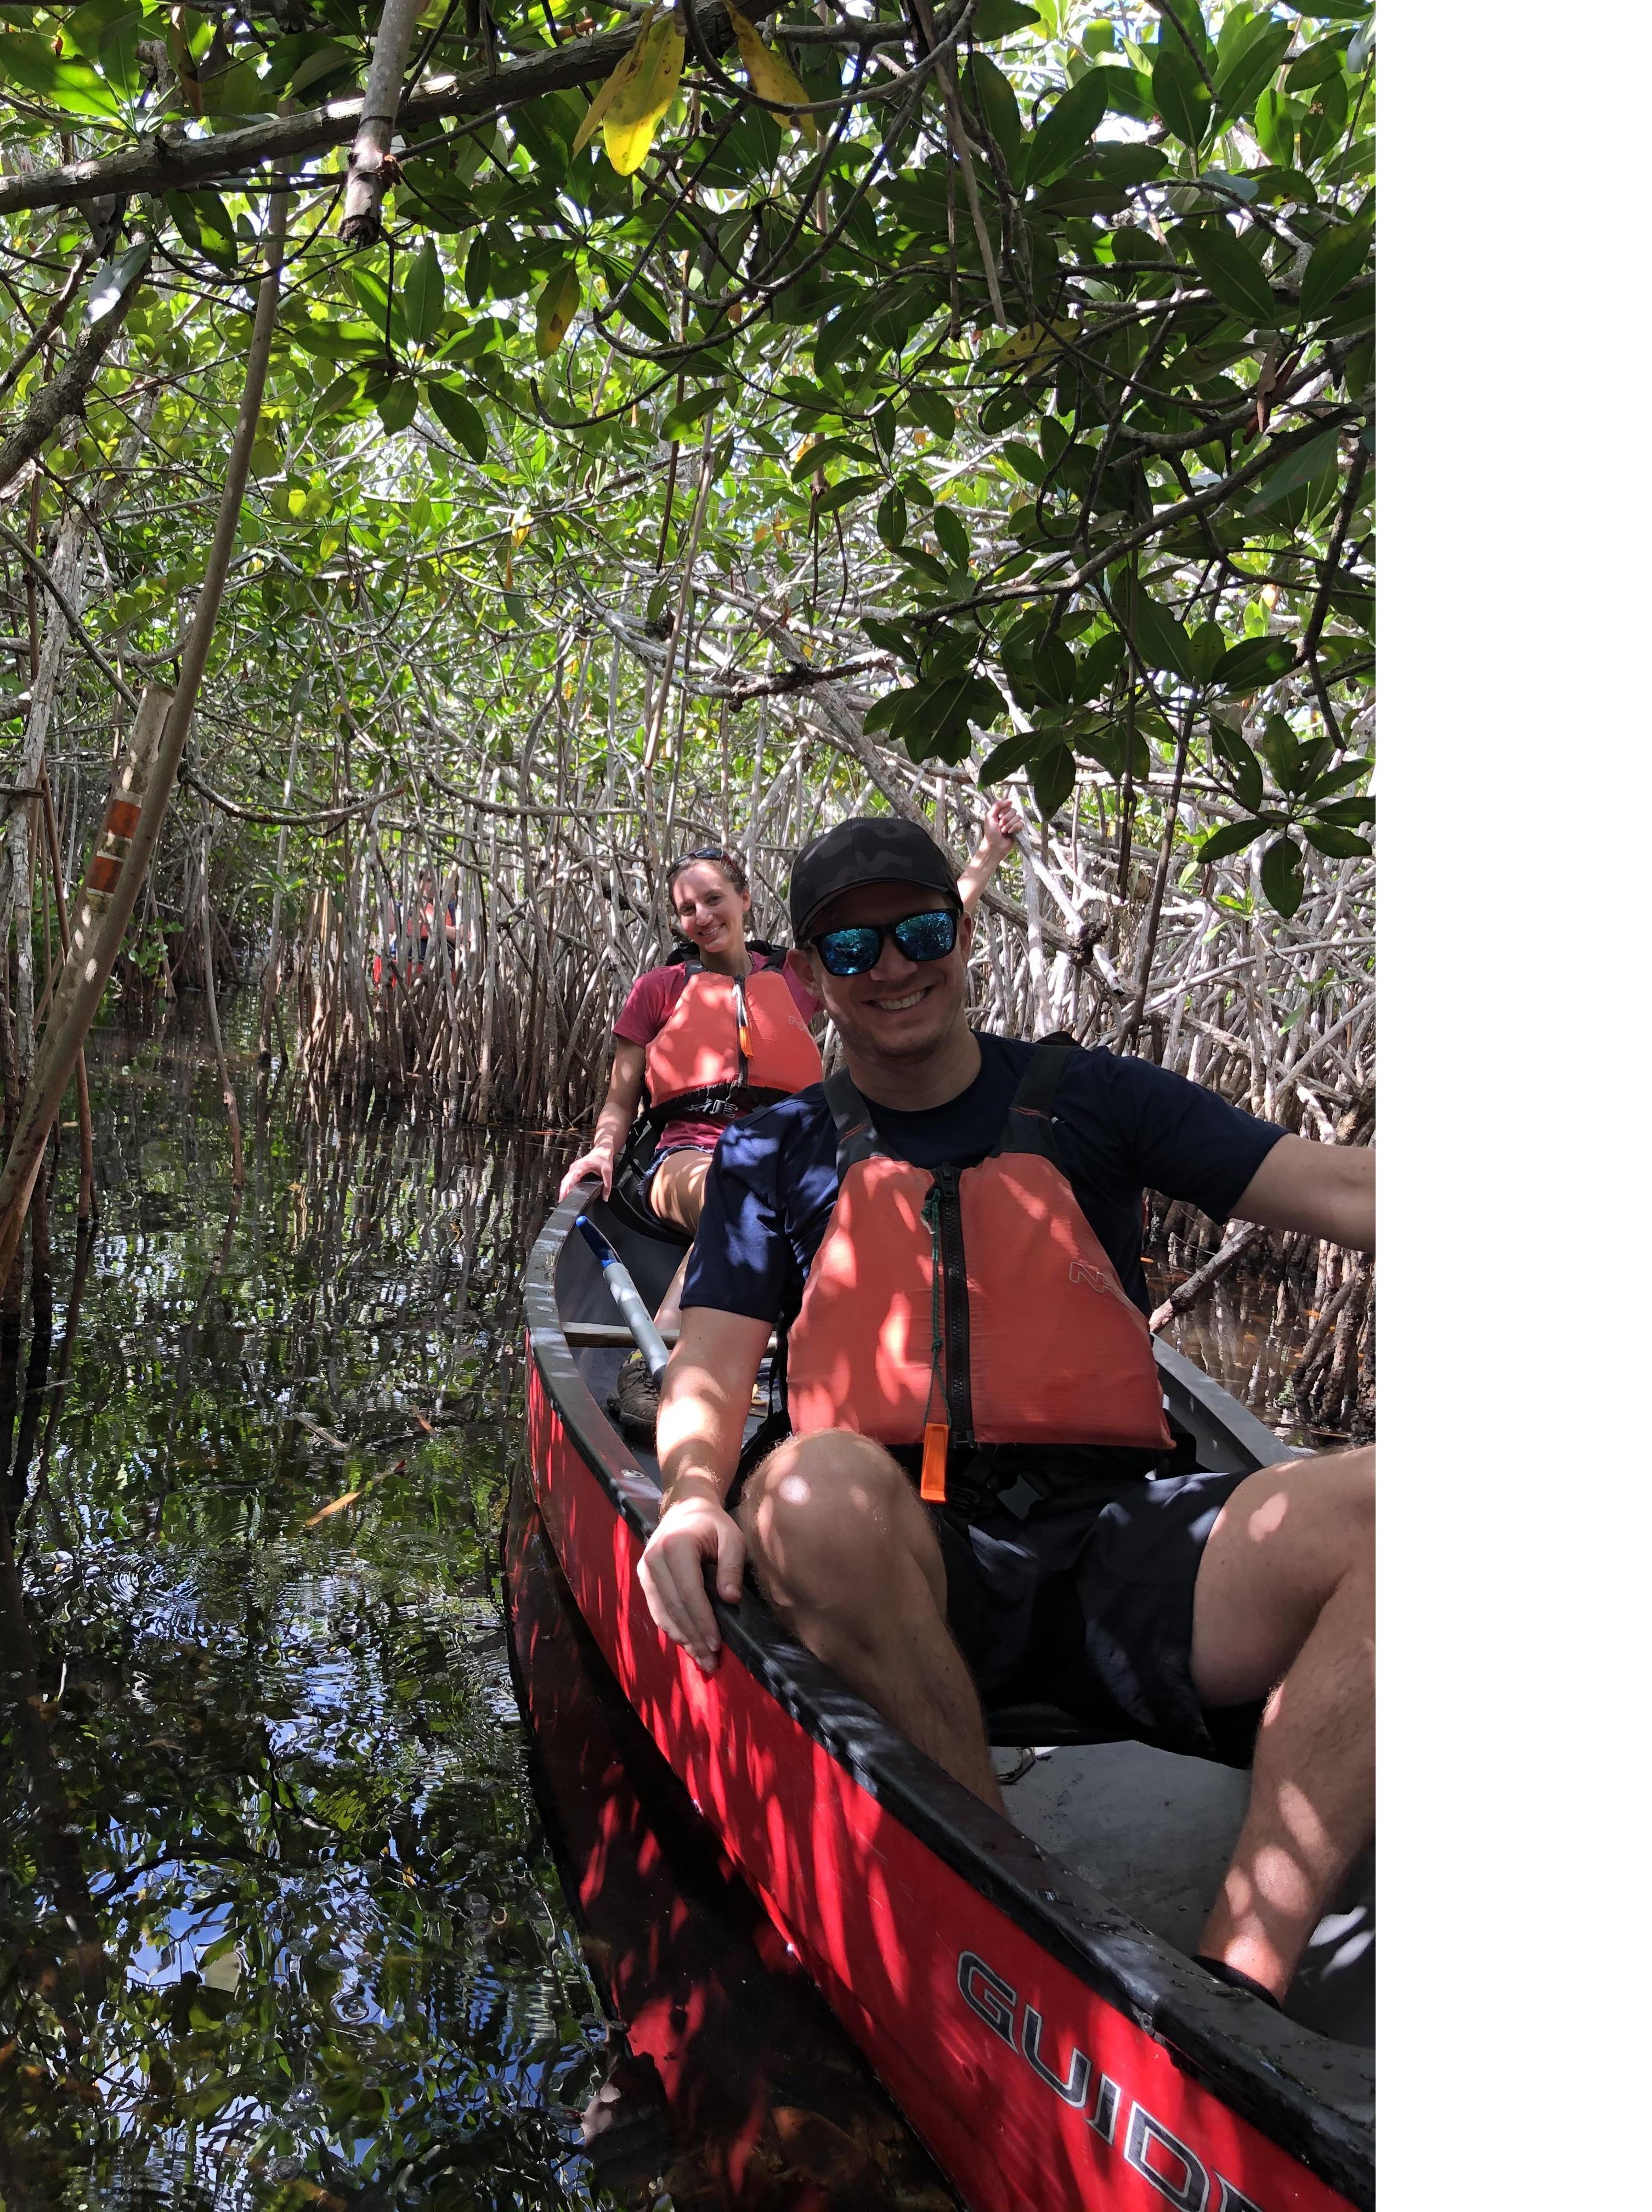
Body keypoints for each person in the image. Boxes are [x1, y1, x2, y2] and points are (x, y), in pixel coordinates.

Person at [637, 812, 1373, 2010]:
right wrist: (684, 1501)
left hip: (1115, 1548)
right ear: (814, 978)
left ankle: (1237, 1989)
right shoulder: (782, 1146)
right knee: (811, 1491)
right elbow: (711, 1365)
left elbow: (1343, 1183)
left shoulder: (1093, 1099)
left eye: (922, 930)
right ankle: (1011, 1926)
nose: (896, 967)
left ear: (966, 933)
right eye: (855, 948)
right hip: (899, 1562)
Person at [557, 809, 1029, 1430]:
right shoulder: (658, 989)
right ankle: (659, 1361)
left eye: (713, 899)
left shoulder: (795, 979)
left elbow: (913, 935)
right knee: (736, 1187)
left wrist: (989, 853)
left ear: (744, 899)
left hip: (795, 1156)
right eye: (687, 909)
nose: (701, 917)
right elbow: (622, 1096)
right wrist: (603, 1149)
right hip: (688, 1157)